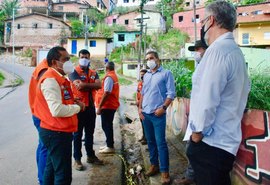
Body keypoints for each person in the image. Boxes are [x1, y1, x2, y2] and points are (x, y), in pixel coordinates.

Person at [184, 1, 250, 185]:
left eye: (203, 20)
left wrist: (197, 132)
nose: (202, 26)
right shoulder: (235, 52)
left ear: (211, 20)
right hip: (225, 143)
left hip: (211, 144)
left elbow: (206, 99)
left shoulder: (217, 51)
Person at [34, 46, 85, 185]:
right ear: (55, 62)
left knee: (51, 169)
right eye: (65, 59)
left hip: (56, 131)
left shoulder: (58, 78)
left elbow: (59, 99)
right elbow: (56, 109)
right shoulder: (50, 80)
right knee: (63, 174)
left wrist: (71, 101)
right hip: (56, 132)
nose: (69, 62)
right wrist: (77, 108)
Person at [139, 50, 176, 185]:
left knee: (161, 143)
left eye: (151, 58)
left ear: (158, 59)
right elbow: (143, 92)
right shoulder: (147, 75)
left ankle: (165, 171)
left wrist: (163, 108)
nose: (149, 61)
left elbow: (171, 94)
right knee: (150, 142)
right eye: (147, 58)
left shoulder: (166, 74)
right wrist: (139, 108)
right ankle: (154, 165)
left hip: (158, 115)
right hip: (146, 114)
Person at [174, 40, 207, 185]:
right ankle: (191, 176)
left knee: (193, 150)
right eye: (194, 49)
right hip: (195, 119)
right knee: (191, 150)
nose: (196, 53)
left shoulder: (211, 67)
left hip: (203, 121)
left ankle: (192, 177)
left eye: (199, 49)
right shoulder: (200, 67)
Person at [69, 49, 103, 171]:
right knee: (77, 135)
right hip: (79, 108)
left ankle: (90, 155)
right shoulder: (73, 72)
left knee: (90, 134)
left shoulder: (94, 73)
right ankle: (77, 159)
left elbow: (99, 85)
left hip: (91, 108)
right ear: (79, 58)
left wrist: (85, 85)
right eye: (82, 56)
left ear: (89, 59)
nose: (84, 59)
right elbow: (79, 86)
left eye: (86, 57)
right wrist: (89, 85)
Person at [28, 59, 48, 185]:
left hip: (37, 112)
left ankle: (41, 177)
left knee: (42, 145)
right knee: (45, 147)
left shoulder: (42, 66)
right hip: (42, 115)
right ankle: (43, 179)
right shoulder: (44, 71)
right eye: (65, 59)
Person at [96, 62, 120, 154]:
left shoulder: (109, 77)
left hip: (108, 105)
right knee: (107, 125)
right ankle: (108, 144)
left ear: (106, 68)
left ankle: (110, 146)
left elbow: (106, 92)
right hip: (111, 105)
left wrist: (100, 106)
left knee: (106, 125)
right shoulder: (113, 75)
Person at [136, 68, 148, 145]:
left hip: (145, 107)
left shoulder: (147, 84)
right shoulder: (140, 84)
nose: (142, 76)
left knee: (145, 123)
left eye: (143, 75)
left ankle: (146, 139)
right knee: (142, 122)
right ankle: (144, 136)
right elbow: (137, 92)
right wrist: (136, 100)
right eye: (141, 75)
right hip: (139, 106)